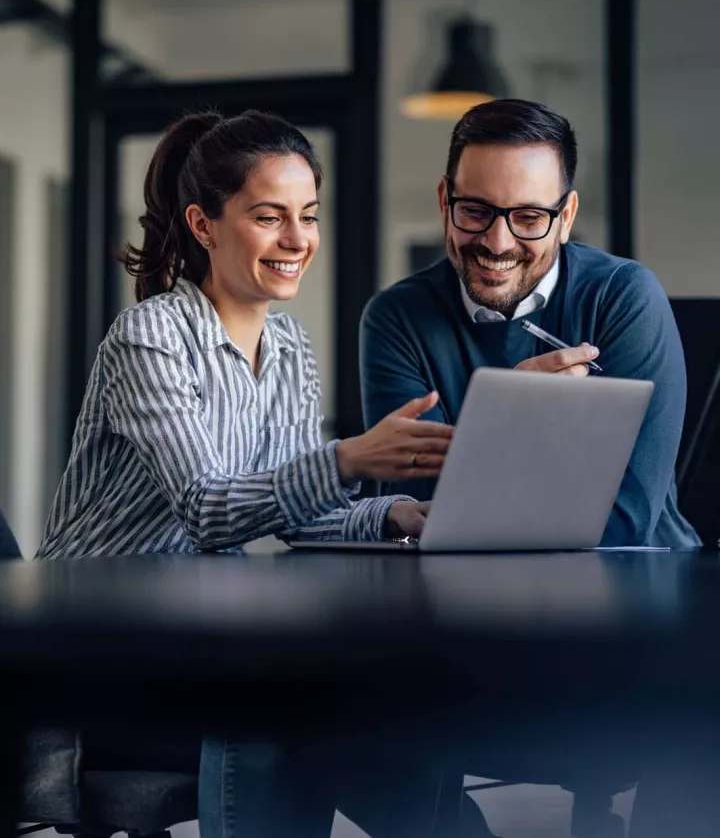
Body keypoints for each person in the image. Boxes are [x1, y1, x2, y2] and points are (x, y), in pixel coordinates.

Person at [39, 110, 453, 561]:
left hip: (195, 604)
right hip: (86, 604)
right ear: (202, 225)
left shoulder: (290, 345)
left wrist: (395, 514)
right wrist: (347, 459)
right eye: (270, 218)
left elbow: (298, 512)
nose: (299, 240)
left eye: (309, 217)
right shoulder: (150, 335)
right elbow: (205, 509)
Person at [361, 98, 699, 549]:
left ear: (566, 218)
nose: (498, 243)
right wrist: (510, 422)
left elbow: (627, 514)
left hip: (639, 580)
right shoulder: (396, 318)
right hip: (463, 592)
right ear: (446, 202)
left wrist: (487, 463)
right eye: (476, 211)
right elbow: (423, 512)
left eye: (529, 217)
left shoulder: (624, 296)